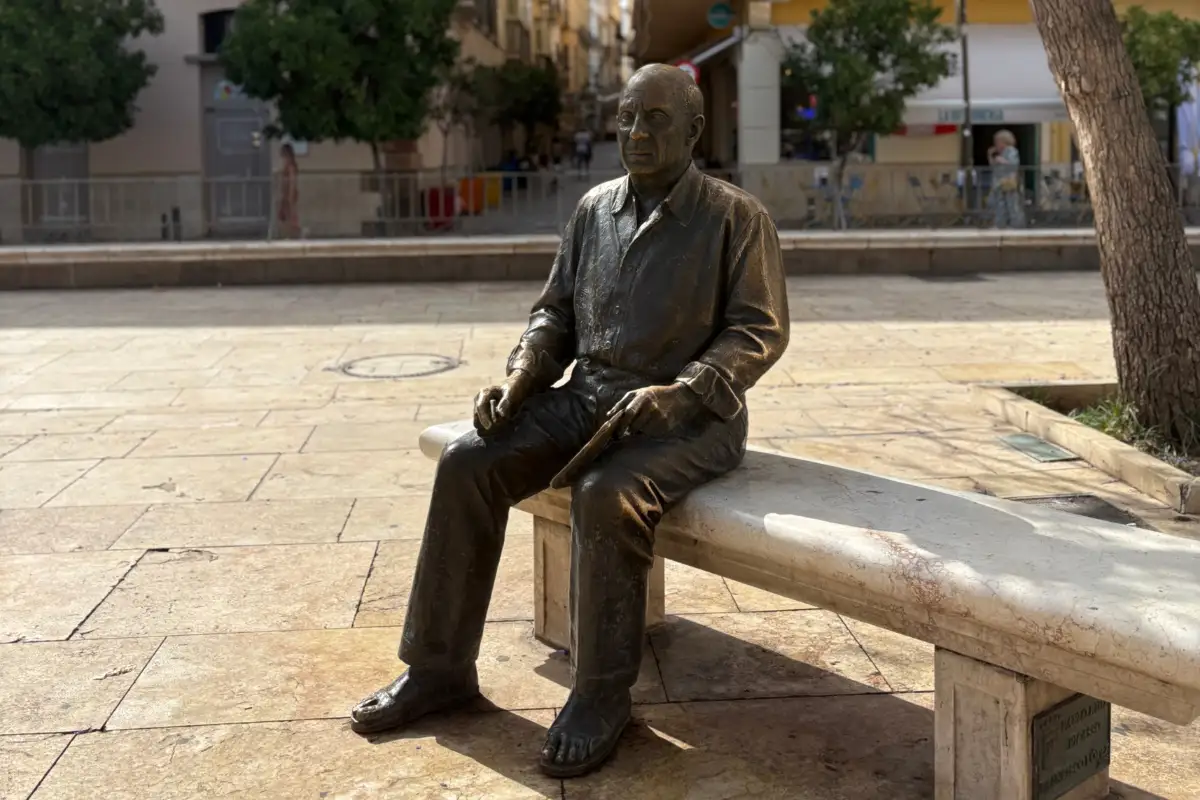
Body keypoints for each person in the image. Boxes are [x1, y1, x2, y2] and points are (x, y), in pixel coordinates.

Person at [349, 64, 790, 779]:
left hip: (689, 420)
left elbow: (757, 331)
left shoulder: (735, 218)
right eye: (626, 118)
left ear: (694, 130)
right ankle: (438, 671)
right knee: (467, 460)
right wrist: (520, 380)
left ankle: (600, 695)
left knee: (605, 495)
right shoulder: (594, 210)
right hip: (586, 399)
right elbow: (554, 314)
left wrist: (683, 392)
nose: (636, 133)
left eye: (654, 119)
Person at [987, 129, 1026, 228]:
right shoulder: (1002, 152)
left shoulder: (1011, 151)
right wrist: (990, 155)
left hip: (1008, 181)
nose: (996, 144)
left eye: (997, 142)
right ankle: (1001, 224)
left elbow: (1013, 164)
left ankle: (1014, 224)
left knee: (1011, 204)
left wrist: (1001, 160)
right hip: (1000, 182)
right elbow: (994, 166)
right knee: (1000, 204)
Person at [276, 143, 300, 238]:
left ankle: (293, 234)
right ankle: (288, 234)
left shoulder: (290, 167)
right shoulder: (286, 166)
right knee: (285, 215)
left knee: (291, 215)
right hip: (286, 194)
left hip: (290, 194)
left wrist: (290, 195)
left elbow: (292, 181)